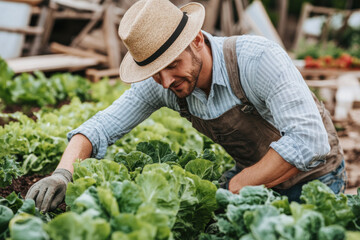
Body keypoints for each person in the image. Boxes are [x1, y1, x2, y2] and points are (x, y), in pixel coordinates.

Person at [26, 0, 346, 212]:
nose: (165, 81)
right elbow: (100, 126)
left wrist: (236, 186)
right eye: (154, 72)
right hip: (255, 175)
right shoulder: (167, 84)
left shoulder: (257, 60)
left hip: (315, 178)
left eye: (173, 65)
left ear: (196, 40)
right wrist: (63, 174)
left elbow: (309, 141)